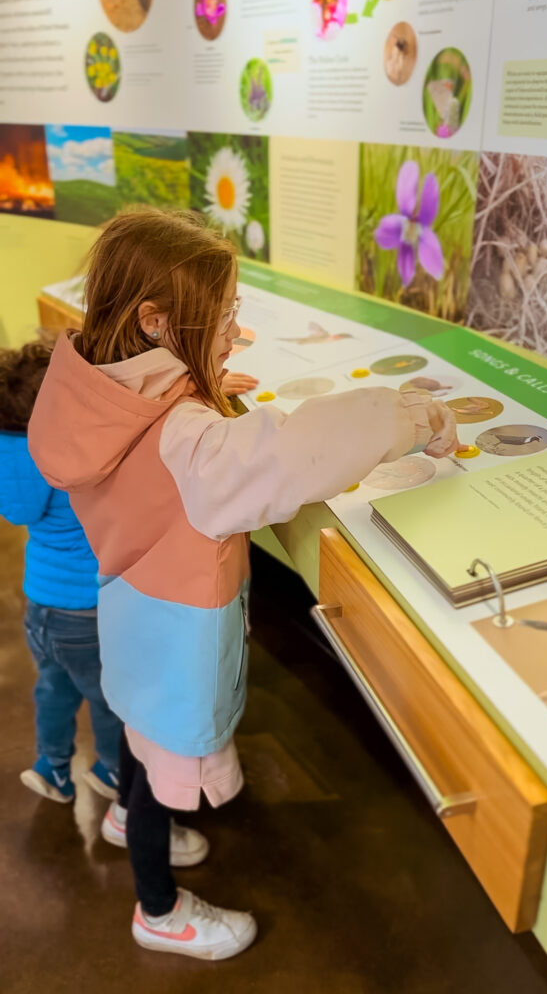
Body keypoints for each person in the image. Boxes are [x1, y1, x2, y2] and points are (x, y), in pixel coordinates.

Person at [28, 207, 460, 961]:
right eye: (221, 314)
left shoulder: (93, 387)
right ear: (156, 321)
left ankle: (130, 814)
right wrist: (410, 413)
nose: (234, 326)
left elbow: (147, 435)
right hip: (180, 634)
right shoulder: (188, 439)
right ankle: (157, 911)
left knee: (137, 727)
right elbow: (289, 454)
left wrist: (194, 381)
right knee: (168, 763)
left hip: (132, 611)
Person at [0, 340, 122, 804]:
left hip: (40, 608)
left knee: (54, 687)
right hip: (87, 610)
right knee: (108, 698)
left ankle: (52, 765)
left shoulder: (11, 454)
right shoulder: (69, 457)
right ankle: (112, 770)